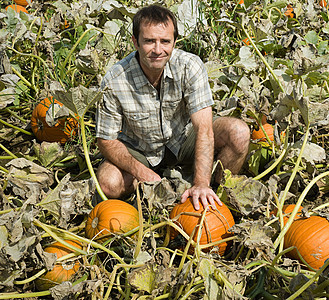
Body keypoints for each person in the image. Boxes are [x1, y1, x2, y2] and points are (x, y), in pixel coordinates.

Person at [95, 4, 250, 210]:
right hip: (139, 148)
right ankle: (140, 208)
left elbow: (203, 128)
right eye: (149, 41)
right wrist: (143, 173)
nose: (158, 50)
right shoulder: (115, 79)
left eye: (165, 41)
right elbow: (106, 140)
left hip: (182, 138)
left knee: (239, 134)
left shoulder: (190, 66)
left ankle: (214, 194)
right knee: (108, 183)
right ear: (135, 42)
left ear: (175, 42)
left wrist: (201, 184)